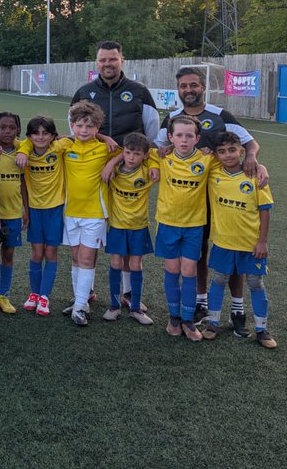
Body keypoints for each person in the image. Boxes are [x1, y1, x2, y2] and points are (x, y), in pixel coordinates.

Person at [156, 66, 264, 324]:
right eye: (183, 86)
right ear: (178, 89)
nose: (189, 90)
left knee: (234, 247)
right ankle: (200, 302)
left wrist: (253, 158)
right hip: (189, 200)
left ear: (203, 87)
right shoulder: (171, 118)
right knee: (199, 252)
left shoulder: (220, 115)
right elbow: (158, 148)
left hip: (220, 195)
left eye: (193, 85)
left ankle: (237, 307)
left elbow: (250, 143)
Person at [70, 40, 159, 307]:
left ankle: (128, 294)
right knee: (91, 235)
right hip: (92, 174)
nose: (107, 64)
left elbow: (150, 135)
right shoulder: (83, 92)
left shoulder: (140, 92)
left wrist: (121, 159)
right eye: (103, 60)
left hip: (128, 174)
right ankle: (87, 292)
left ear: (122, 60)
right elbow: (76, 132)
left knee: (127, 231)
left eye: (112, 59)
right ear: (96, 62)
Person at [15, 100, 114, 327]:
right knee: (76, 258)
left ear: (97, 127)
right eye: (80, 126)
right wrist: (23, 150)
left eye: (90, 127)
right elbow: (33, 142)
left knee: (86, 258)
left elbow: (131, 151)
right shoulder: (65, 146)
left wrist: (112, 160)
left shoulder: (105, 148)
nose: (84, 131)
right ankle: (81, 301)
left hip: (95, 213)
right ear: (72, 126)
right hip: (70, 212)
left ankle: (79, 307)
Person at [200, 132, 277, 348]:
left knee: (255, 282)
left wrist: (262, 242)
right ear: (216, 155)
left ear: (242, 151)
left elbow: (265, 211)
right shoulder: (214, 171)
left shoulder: (254, 176)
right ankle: (213, 323)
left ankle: (261, 329)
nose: (228, 155)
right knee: (219, 279)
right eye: (222, 152)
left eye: (232, 150)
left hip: (250, 244)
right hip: (223, 241)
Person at [101, 132, 159, 326]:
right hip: (117, 226)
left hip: (138, 226)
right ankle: (114, 305)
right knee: (116, 263)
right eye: (127, 153)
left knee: (135, 265)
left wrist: (153, 164)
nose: (131, 158)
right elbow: (110, 154)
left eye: (137, 154)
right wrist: (112, 162)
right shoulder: (113, 171)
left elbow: (160, 153)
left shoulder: (147, 171)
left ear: (145, 155)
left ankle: (135, 307)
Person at [16, 115, 63, 317]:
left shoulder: (59, 148)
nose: (41, 137)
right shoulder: (24, 151)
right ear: (29, 136)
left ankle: (44, 296)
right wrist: (26, 210)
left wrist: (106, 138)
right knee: (36, 253)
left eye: (45, 133)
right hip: (35, 210)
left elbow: (75, 138)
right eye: (36, 133)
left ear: (53, 136)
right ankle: (34, 293)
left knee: (50, 253)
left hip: (55, 209)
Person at [0, 111, 26, 315]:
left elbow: (24, 184)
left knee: (8, 254)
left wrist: (26, 210)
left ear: (18, 129)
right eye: (2, 127)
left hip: (13, 214)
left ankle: (4, 295)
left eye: (12, 127)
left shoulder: (22, 151)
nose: (7, 131)